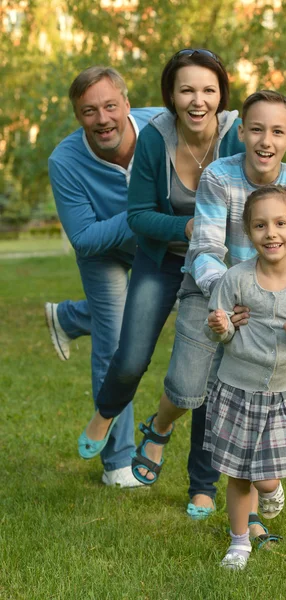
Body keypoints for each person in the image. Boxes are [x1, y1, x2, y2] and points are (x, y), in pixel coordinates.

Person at [133, 90, 286, 528]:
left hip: (273, 301)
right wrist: (231, 296)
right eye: (257, 128)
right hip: (211, 287)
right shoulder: (219, 178)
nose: (266, 139)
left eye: (277, 131)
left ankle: (247, 511)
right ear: (241, 132)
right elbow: (206, 249)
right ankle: (160, 427)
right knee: (189, 386)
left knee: (251, 398)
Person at [77, 49, 248, 518]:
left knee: (211, 379)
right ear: (170, 95)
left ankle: (202, 485)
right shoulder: (156, 138)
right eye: (187, 89)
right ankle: (105, 413)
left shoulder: (236, 135)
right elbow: (138, 216)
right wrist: (187, 228)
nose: (198, 100)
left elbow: (262, 196)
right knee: (131, 358)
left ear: (221, 95)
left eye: (208, 90)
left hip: (217, 269)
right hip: (163, 260)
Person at [204, 184, 286, 570]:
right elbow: (221, 331)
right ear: (249, 232)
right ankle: (239, 542)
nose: (271, 232)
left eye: (280, 223)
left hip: (281, 395)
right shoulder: (236, 279)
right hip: (236, 390)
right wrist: (220, 325)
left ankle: (273, 489)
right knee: (238, 475)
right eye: (260, 225)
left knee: (263, 478)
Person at [47, 66, 162, 487]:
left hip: (161, 243)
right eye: (89, 111)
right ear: (79, 117)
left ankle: (70, 318)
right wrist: (142, 216)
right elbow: (83, 238)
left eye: (110, 105)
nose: (103, 118)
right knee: (115, 346)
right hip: (104, 251)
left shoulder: (163, 126)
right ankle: (118, 461)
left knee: (169, 315)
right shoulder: (64, 161)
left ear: (127, 104)